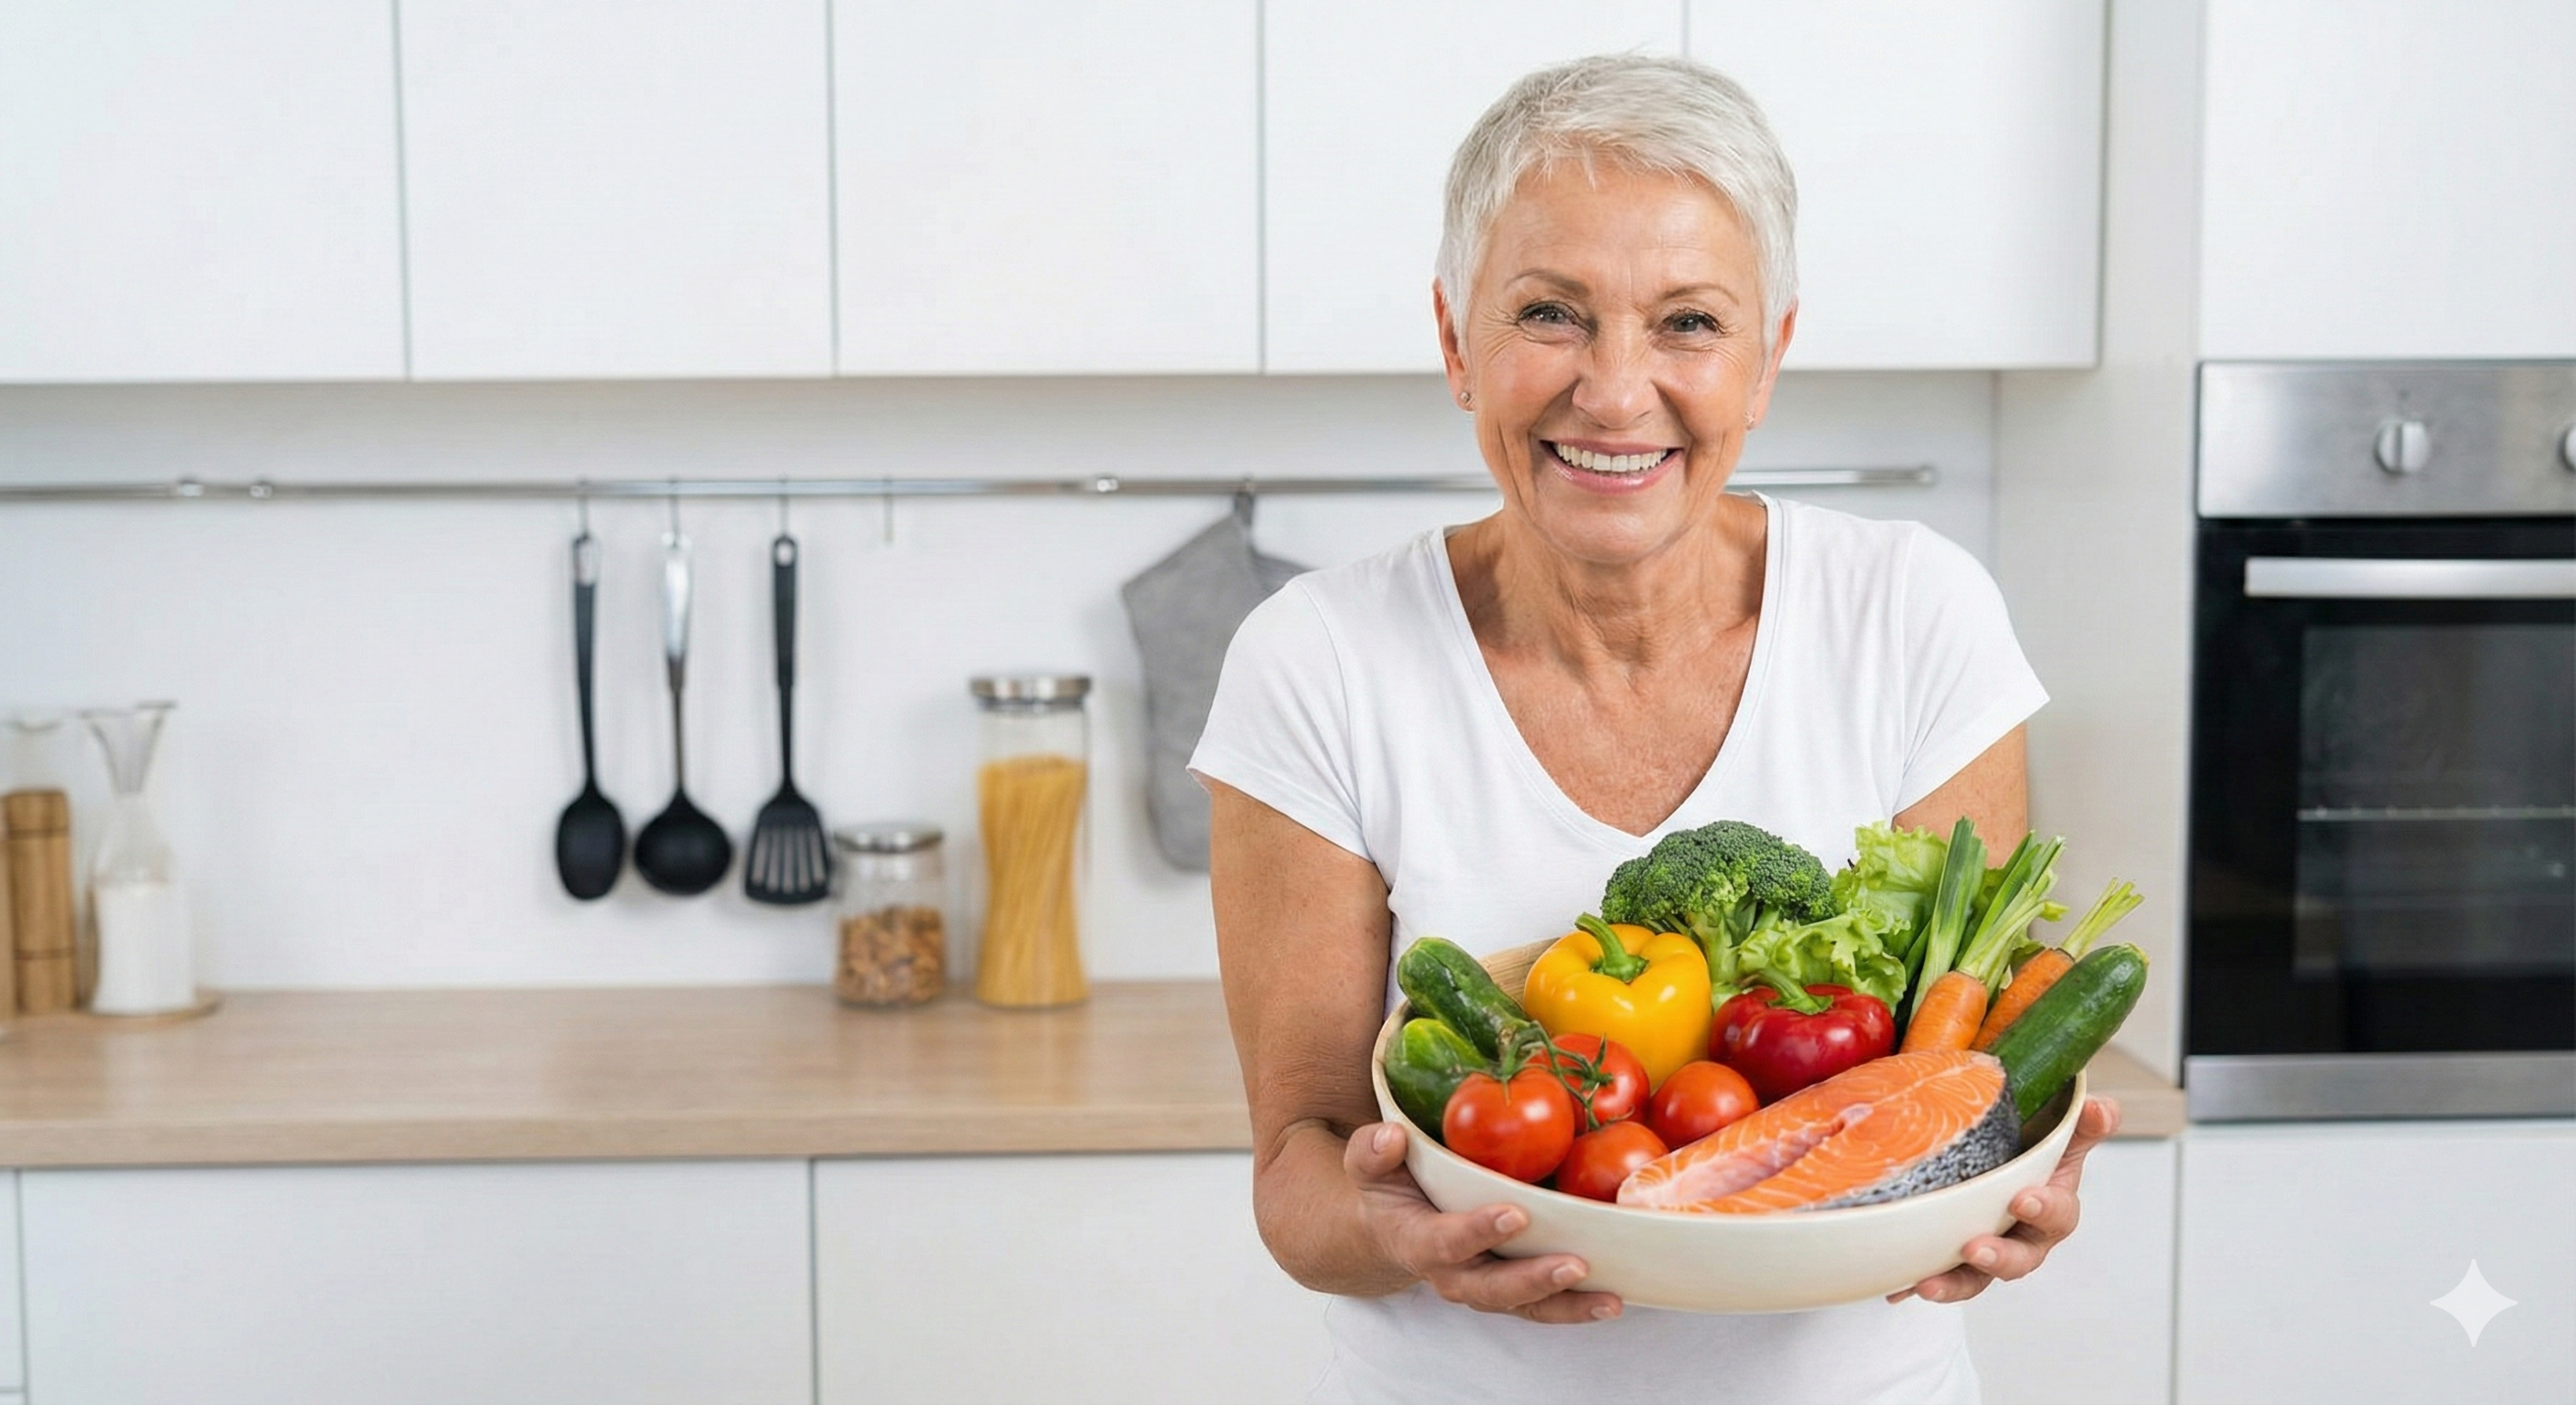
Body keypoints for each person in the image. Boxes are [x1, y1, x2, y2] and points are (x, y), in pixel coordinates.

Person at [1189, 53, 2118, 1405]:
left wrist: (2017, 1180)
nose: (1617, 394)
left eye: (1687, 322)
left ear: (1768, 360)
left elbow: (1973, 1074)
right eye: (1552, 313)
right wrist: (1399, 1230)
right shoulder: (1317, 662)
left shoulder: (1914, 616)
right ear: (1457, 341)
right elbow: (1298, 1172)